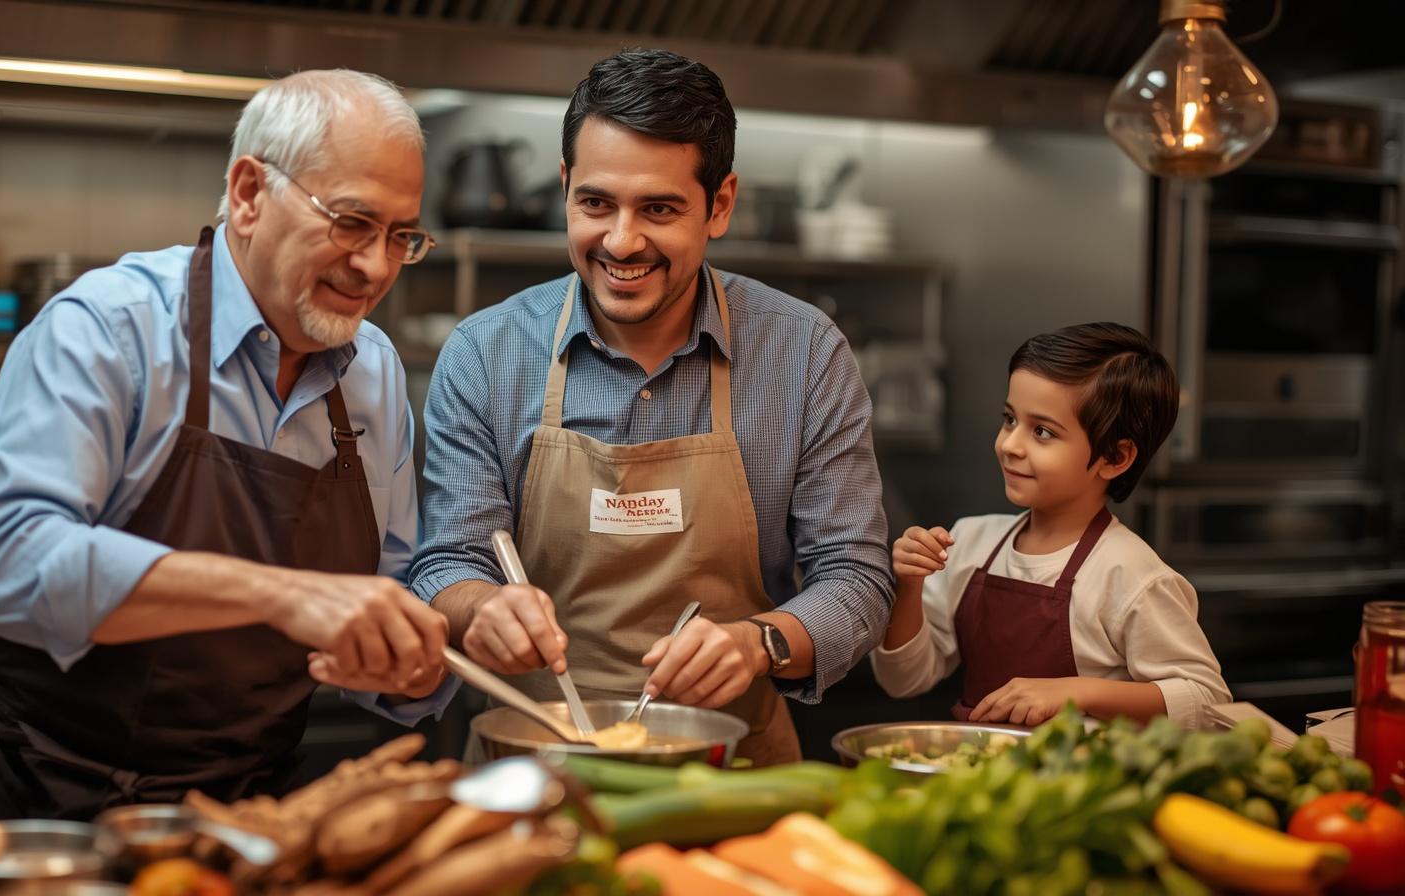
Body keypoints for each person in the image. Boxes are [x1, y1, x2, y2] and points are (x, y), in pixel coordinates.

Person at [0, 69, 454, 822]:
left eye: (402, 237)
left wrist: (422, 650)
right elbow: (3, 563)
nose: (376, 266)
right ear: (247, 193)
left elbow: (386, 596)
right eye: (350, 222)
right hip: (32, 795)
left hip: (234, 814)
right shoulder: (110, 329)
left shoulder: (372, 374)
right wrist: (281, 594)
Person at [410, 48, 896, 764]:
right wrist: (479, 608)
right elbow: (446, 561)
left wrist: (761, 643)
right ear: (566, 186)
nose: (621, 241)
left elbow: (856, 577)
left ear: (719, 204)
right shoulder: (486, 353)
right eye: (596, 203)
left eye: (660, 209)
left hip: (733, 770)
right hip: (534, 768)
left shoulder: (804, 353)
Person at [872, 322, 1230, 729]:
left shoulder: (1129, 574)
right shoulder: (969, 541)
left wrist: (1076, 692)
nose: (1009, 444)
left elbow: (1207, 702)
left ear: (1115, 457)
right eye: (1009, 419)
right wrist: (909, 587)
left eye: (1042, 431)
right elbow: (903, 680)